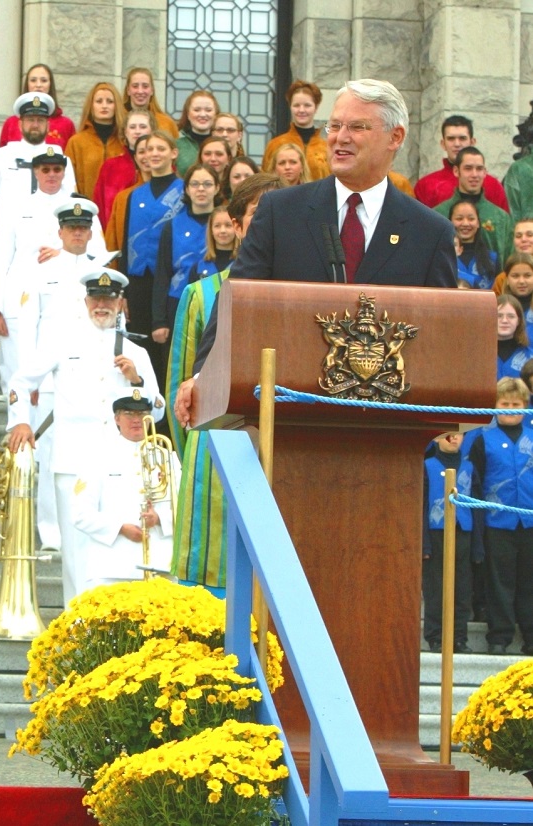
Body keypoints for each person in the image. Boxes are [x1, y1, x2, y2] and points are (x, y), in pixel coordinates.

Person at [174, 79, 458, 428]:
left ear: (395, 137)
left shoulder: (429, 233)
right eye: (335, 126)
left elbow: (442, 336)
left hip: (388, 428)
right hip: (288, 421)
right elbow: (238, 301)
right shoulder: (280, 211)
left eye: (357, 127)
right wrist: (204, 375)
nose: (341, 137)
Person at [5, 266, 164, 603]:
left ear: (121, 303)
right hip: (73, 460)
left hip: (121, 464)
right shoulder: (63, 340)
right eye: (95, 298)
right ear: (86, 300)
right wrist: (20, 421)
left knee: (120, 546)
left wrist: (137, 381)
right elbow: (20, 381)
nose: (101, 305)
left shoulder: (137, 353)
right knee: (76, 549)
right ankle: (76, 626)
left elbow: (159, 410)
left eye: (109, 299)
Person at [165, 174, 282, 595]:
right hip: (214, 460)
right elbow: (180, 392)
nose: (271, 226)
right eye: (259, 216)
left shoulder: (305, 294)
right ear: (234, 225)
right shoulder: (202, 294)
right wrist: (196, 455)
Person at [18, 197, 115, 551]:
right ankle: (51, 530)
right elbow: (27, 325)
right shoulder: (41, 270)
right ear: (59, 231)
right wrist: (27, 376)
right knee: (51, 456)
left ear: (91, 233)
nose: (77, 233)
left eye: (83, 228)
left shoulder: (103, 271)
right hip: (48, 375)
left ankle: (93, 522)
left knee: (97, 452)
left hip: (95, 375)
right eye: (71, 228)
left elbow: (115, 322)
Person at [0, 147, 101, 399]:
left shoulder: (80, 208)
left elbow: (99, 255)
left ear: (64, 172)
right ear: (35, 172)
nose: (51, 174)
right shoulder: (16, 206)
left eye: (57, 169)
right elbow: (1, 258)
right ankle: (15, 429)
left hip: (64, 298)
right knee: (15, 366)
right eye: (45, 169)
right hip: (18, 298)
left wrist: (63, 252)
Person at [71, 390, 178, 588]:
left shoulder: (167, 457)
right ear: (117, 419)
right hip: (112, 567)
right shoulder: (97, 457)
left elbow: (186, 511)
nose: (136, 420)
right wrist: (120, 528)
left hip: (161, 565)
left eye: (142, 414)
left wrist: (160, 519)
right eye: (129, 414)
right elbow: (80, 514)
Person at [107, 131, 182, 376]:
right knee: (140, 345)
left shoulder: (184, 191)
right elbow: (127, 246)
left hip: (170, 281)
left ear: (173, 153)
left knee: (167, 348)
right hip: (138, 282)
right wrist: (124, 292)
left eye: (161, 148)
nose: (154, 154)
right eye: (150, 149)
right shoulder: (134, 195)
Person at [467, 377, 533, 655]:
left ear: (525, 406)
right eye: (504, 404)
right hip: (497, 522)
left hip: (529, 521)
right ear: (494, 406)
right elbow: (476, 482)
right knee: (499, 583)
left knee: (529, 583)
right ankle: (499, 637)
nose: (509, 409)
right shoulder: (482, 439)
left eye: (515, 404)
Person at [0, 93, 77, 268]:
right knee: (3, 291)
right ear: (20, 123)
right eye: (30, 119)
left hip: (50, 239)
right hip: (9, 240)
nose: (35, 125)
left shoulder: (61, 159)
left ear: (48, 124)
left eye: (40, 120)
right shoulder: (1, 156)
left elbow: (69, 201)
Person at [422, 430, 479, 653]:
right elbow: (422, 506)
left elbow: (478, 509)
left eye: (457, 435)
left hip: (463, 531)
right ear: (436, 438)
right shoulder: (427, 466)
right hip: (436, 533)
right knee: (436, 589)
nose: (453, 438)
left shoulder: (470, 467)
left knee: (462, 590)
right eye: (448, 435)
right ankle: (436, 636)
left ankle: (459, 637)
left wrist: (477, 545)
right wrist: (424, 543)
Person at [152, 164, 218, 346]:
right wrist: (159, 320)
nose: (201, 189)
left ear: (217, 187)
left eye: (207, 184)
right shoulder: (173, 225)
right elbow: (163, 273)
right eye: (195, 184)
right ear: (187, 189)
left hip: (216, 302)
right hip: (178, 303)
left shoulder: (224, 223)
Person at [435, 147, 512, 265]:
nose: (474, 174)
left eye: (479, 169)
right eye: (468, 168)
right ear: (456, 171)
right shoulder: (438, 215)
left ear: (485, 172)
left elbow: (509, 261)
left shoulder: (501, 218)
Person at [415, 115, 510, 212]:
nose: (457, 144)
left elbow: (504, 223)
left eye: (462, 138)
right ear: (443, 144)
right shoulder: (426, 185)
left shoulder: (492, 185)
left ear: (472, 142)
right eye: (451, 139)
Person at [65, 81, 125, 200]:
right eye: (99, 101)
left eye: (110, 101)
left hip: (118, 211)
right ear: (91, 106)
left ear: (116, 105)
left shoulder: (124, 141)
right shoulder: (77, 143)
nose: (104, 106)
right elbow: (68, 180)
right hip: (87, 211)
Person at [93, 110, 152, 230]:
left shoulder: (161, 166)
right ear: (125, 131)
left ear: (152, 130)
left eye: (143, 126)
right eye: (132, 127)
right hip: (116, 232)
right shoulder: (110, 166)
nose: (137, 131)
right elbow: (99, 204)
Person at [263, 80, 329, 180]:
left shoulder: (327, 148)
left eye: (307, 105)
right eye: (296, 105)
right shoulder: (275, 145)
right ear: (290, 107)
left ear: (316, 107)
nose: (301, 110)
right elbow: (265, 180)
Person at [0, 64, 75, 148]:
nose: (38, 85)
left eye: (44, 80)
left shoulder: (66, 124)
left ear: (50, 84)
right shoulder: (11, 123)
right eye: (33, 80)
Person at [452, 200, 499, 291]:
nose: (465, 224)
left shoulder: (492, 258)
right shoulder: (442, 258)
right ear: (449, 221)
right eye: (459, 219)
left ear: (478, 223)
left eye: (471, 219)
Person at [121, 67, 178, 136]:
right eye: (135, 86)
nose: (140, 91)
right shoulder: (118, 120)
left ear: (152, 90)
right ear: (128, 90)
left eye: (145, 86)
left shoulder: (167, 123)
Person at [174, 90, 218, 176]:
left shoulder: (223, 144)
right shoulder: (176, 145)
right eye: (197, 110)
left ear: (215, 114)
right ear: (188, 114)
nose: (202, 114)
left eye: (208, 110)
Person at [496, 295, 533, 379]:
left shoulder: (530, 356)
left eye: (511, 316)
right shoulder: (479, 355)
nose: (504, 321)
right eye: (499, 316)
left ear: (518, 321)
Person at [501, 252, 533, 328]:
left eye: (527, 276)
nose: (521, 281)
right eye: (515, 276)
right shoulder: (497, 308)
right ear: (507, 279)